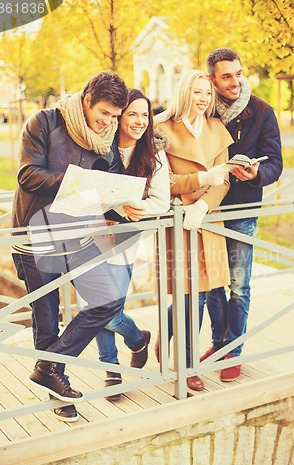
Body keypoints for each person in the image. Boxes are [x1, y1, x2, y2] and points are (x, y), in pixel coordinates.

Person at [11, 72, 129, 422]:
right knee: (46, 320)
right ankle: (59, 395)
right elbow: (28, 175)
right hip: (36, 234)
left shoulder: (106, 138)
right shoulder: (44, 122)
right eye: (104, 112)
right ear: (87, 98)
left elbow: (108, 189)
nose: (108, 122)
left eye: (114, 117)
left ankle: (48, 367)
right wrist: (78, 184)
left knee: (110, 297)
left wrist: (122, 208)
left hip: (79, 234)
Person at [201, 48, 283, 381]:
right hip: (207, 207)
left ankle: (232, 352)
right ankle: (220, 344)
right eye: (226, 76)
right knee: (211, 285)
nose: (235, 81)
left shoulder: (262, 111)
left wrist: (257, 175)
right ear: (211, 79)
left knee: (239, 285)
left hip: (244, 207)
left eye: (238, 73)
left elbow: (275, 163)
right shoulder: (202, 107)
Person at [154, 69, 234, 391]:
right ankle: (188, 366)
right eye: (197, 92)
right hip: (178, 221)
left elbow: (224, 178)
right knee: (189, 295)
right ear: (185, 92)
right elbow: (162, 182)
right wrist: (199, 183)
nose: (203, 100)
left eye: (207, 94)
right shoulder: (161, 129)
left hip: (208, 220)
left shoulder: (217, 128)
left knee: (202, 294)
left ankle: (172, 341)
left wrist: (203, 206)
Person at [95, 88, 171, 401]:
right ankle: (111, 370)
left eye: (144, 115)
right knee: (95, 306)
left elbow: (161, 201)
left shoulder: (154, 154)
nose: (139, 121)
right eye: (132, 114)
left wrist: (139, 209)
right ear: (120, 116)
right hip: (92, 235)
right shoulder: (100, 147)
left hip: (124, 237)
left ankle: (137, 340)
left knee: (109, 312)